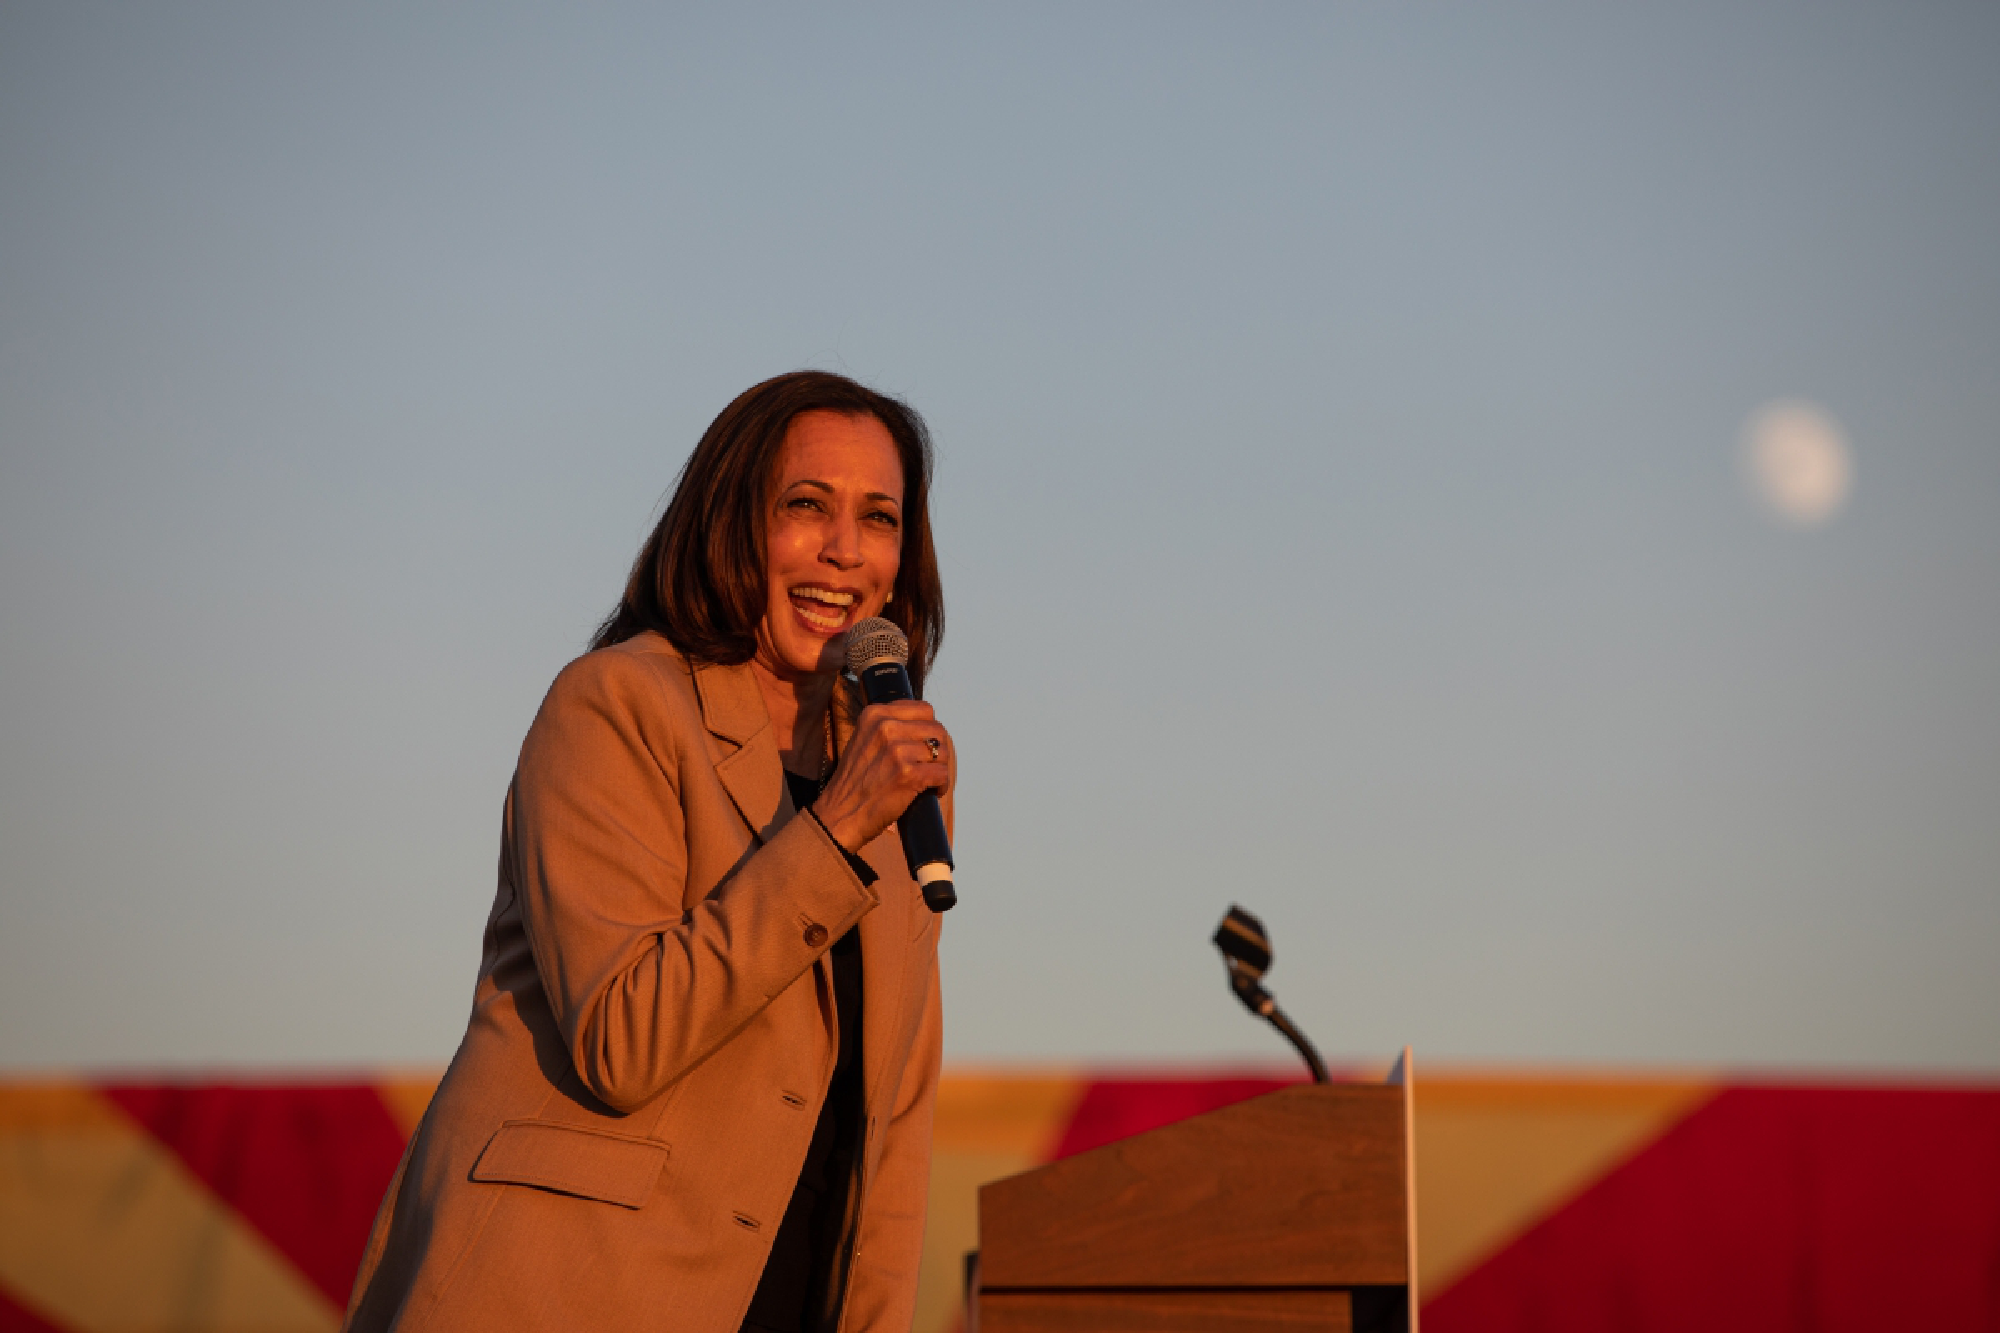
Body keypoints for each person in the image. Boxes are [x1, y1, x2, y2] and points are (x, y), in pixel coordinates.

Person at [343, 371, 953, 1333]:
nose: (845, 550)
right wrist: (834, 828)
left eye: (879, 518)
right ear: (729, 521)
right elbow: (623, 1040)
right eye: (805, 506)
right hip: (562, 1291)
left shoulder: (893, 774)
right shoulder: (616, 705)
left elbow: (892, 1119)